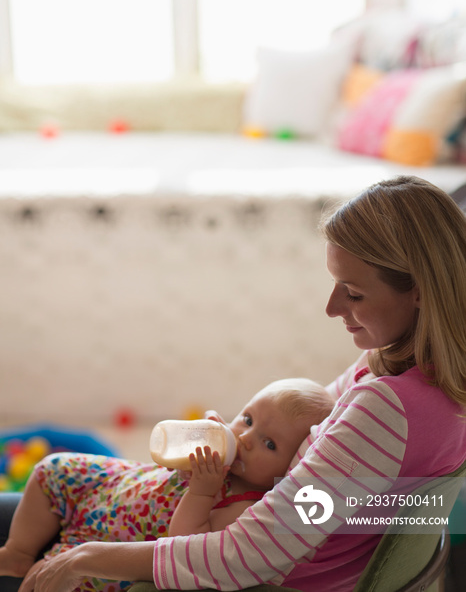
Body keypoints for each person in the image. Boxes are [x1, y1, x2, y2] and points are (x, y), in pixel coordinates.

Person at [1, 174, 466, 592]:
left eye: (355, 292)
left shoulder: (388, 412)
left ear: (421, 289)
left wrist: (87, 557)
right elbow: (309, 416)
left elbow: (248, 554)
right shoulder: (413, 377)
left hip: (216, 564)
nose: (331, 307)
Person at [0, 379, 333, 592]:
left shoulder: (246, 506)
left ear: (291, 468)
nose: (244, 439)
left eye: (269, 444)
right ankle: (18, 551)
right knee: (53, 469)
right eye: (247, 419)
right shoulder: (219, 454)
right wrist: (195, 438)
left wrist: (202, 491)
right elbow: (162, 460)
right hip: (113, 490)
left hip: (115, 544)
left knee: (59, 582)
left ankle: (42, 560)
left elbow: (183, 546)